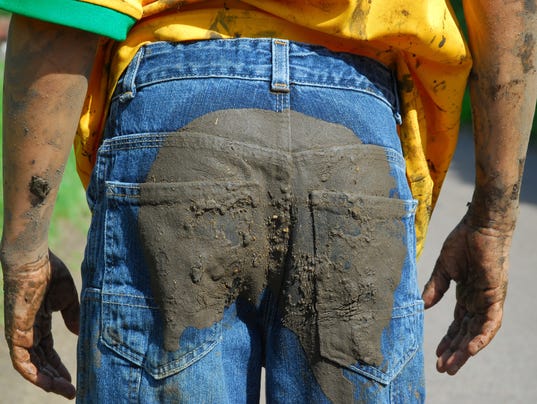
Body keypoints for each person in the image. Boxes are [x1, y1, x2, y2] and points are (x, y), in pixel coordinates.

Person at [0, 1, 535, 402]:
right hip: (353, 135)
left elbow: (61, 14)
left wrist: (24, 248)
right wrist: (492, 220)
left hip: (174, 125)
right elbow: (508, 12)